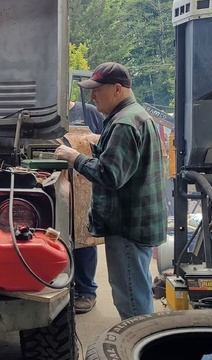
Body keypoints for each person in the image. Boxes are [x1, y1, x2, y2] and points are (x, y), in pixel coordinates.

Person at [56, 62, 166, 320]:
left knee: (132, 302)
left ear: (117, 89)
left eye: (98, 90)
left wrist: (75, 157)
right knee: (137, 291)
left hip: (127, 227)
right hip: (137, 224)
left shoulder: (124, 124)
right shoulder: (133, 116)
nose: (93, 96)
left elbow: (109, 175)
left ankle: (135, 347)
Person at [67, 100, 104, 314]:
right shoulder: (43, 115)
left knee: (83, 236)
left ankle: (86, 290)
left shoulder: (88, 111)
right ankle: (64, 285)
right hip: (58, 183)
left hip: (84, 182)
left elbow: (106, 145)